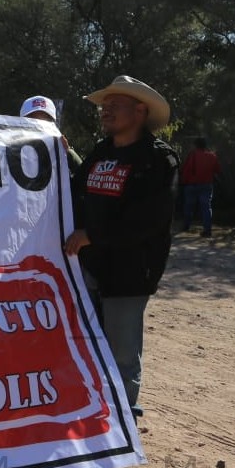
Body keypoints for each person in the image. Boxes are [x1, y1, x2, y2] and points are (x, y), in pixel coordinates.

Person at [62, 75, 179, 424]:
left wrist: (91, 235)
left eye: (115, 105)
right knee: (86, 342)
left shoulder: (158, 160)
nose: (105, 111)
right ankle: (91, 412)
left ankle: (120, 423)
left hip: (130, 272)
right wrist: (57, 154)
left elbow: (149, 220)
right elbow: (74, 191)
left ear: (140, 111)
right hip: (90, 267)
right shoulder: (101, 152)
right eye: (104, 106)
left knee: (122, 352)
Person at [20, 95, 82, 172]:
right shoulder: (11, 152)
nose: (39, 126)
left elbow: (85, 176)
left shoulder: (63, 152)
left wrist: (67, 153)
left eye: (45, 121)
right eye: (33, 121)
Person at [180, 136, 221, 237]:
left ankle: (186, 226)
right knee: (206, 207)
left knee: (189, 206)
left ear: (195, 145)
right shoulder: (212, 156)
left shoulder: (192, 155)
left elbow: (186, 170)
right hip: (206, 185)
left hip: (191, 185)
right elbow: (218, 170)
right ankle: (207, 230)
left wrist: (183, 182)